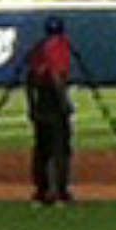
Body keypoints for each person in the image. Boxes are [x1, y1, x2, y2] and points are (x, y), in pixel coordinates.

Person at [23, 15, 76, 207]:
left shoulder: (38, 48)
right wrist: (65, 103)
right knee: (60, 149)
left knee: (41, 150)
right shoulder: (60, 45)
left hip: (40, 101)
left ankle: (41, 193)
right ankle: (61, 193)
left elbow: (29, 79)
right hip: (54, 101)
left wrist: (31, 105)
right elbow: (57, 75)